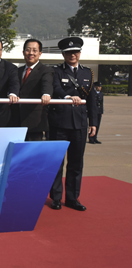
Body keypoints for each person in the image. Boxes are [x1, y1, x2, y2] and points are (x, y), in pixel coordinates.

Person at [48, 37, 98, 211]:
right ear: (63, 54)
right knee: (57, 163)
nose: (72, 55)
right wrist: (68, 97)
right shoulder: (56, 71)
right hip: (59, 123)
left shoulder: (87, 73)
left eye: (75, 52)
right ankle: (55, 198)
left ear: (79, 53)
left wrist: (94, 123)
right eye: (69, 52)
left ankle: (72, 198)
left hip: (80, 124)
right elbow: (56, 89)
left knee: (76, 163)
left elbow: (92, 100)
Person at [12, 39, 53, 141]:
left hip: (34, 122)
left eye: (34, 50)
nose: (31, 53)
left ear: (40, 53)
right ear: (23, 52)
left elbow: (47, 83)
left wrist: (46, 94)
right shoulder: (17, 71)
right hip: (15, 120)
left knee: (32, 154)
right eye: (28, 50)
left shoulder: (46, 70)